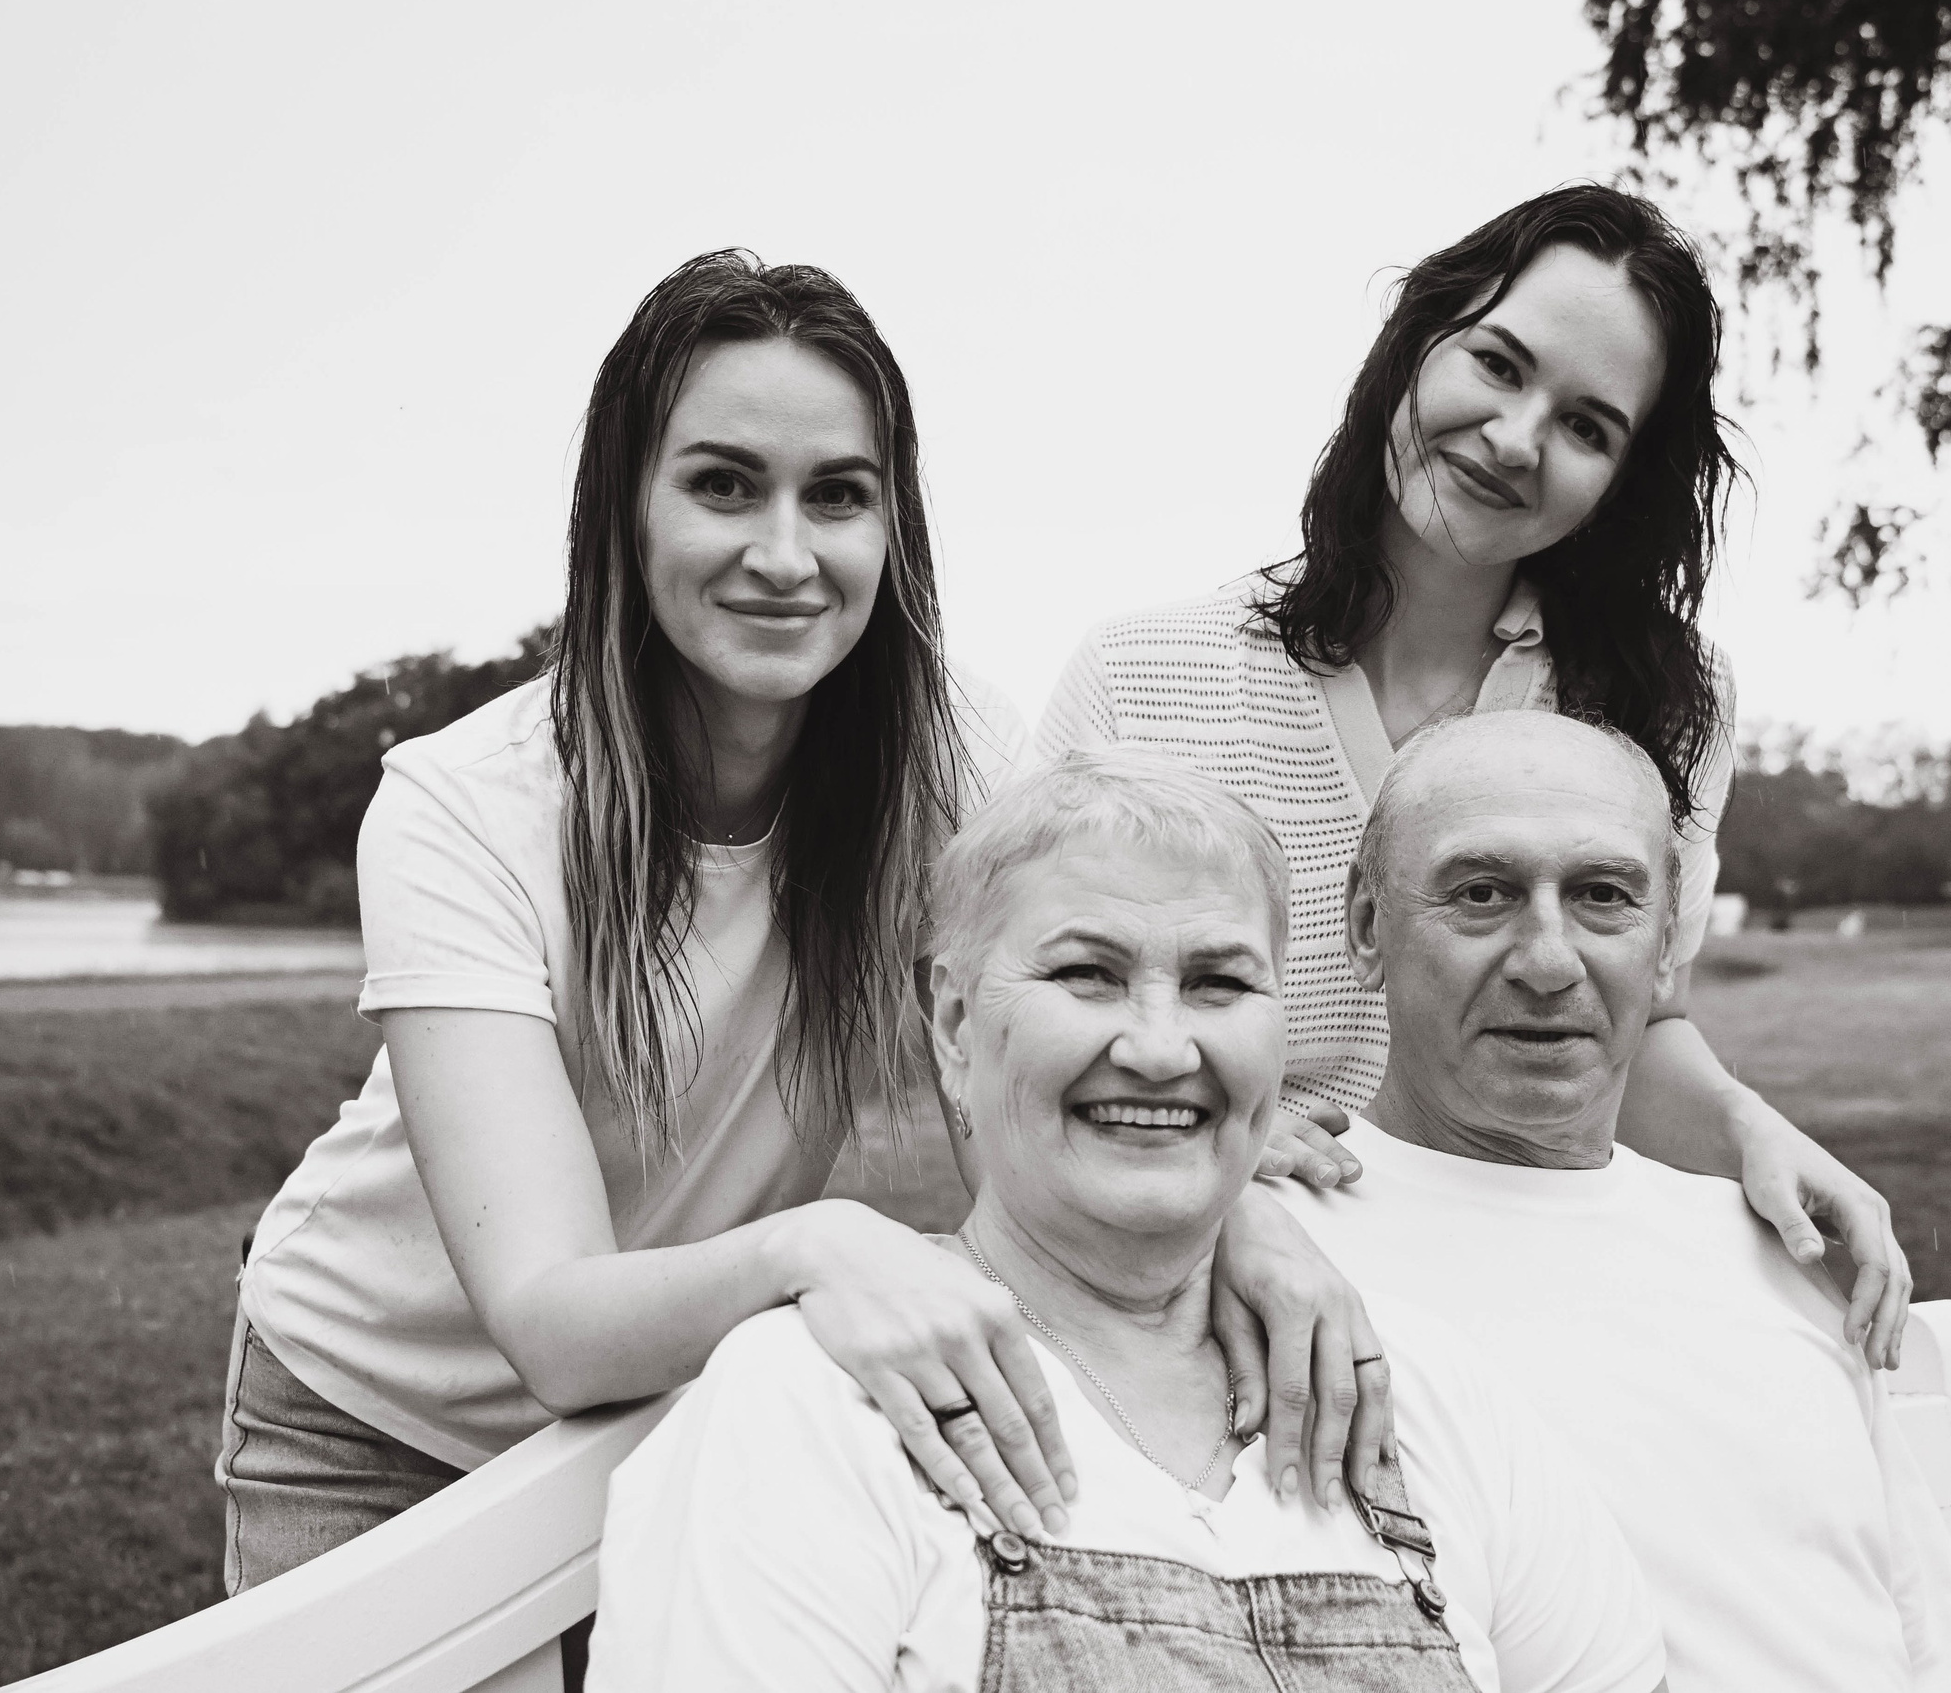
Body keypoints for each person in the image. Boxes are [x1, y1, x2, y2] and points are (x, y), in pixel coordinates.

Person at [218, 253, 1384, 1606]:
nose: (785, 553)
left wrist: (1236, 1214)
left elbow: (1036, 1076)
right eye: (723, 484)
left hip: (689, 1397)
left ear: (893, 530)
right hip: (380, 1426)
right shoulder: (462, 806)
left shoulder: (954, 757)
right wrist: (813, 1243)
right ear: (624, 509)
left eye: (837, 495)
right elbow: (549, 1316)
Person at [1030, 184, 1911, 1364]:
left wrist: (1754, 1130)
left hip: (1525, 1298)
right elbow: (1025, 1027)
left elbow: (1634, 1021)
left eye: (1587, 425)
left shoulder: (1667, 694)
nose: (1512, 439)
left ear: (1622, 478)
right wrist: (1223, 1169)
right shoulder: (1145, 674)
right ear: (1414, 344)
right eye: (1496, 363)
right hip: (1190, 1292)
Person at [589, 750, 1669, 1693]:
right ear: (957, 1023)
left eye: (1217, 981)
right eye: (1086, 974)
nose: (1160, 1046)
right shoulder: (815, 1406)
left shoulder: (1422, 1394)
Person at [1275, 708, 1951, 1693]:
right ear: (1367, 925)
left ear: (1666, 940)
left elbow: (1938, 1642)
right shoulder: (1282, 1258)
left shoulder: (1767, 1245)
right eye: (1482, 892)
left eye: (1602, 895)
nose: (1547, 959)